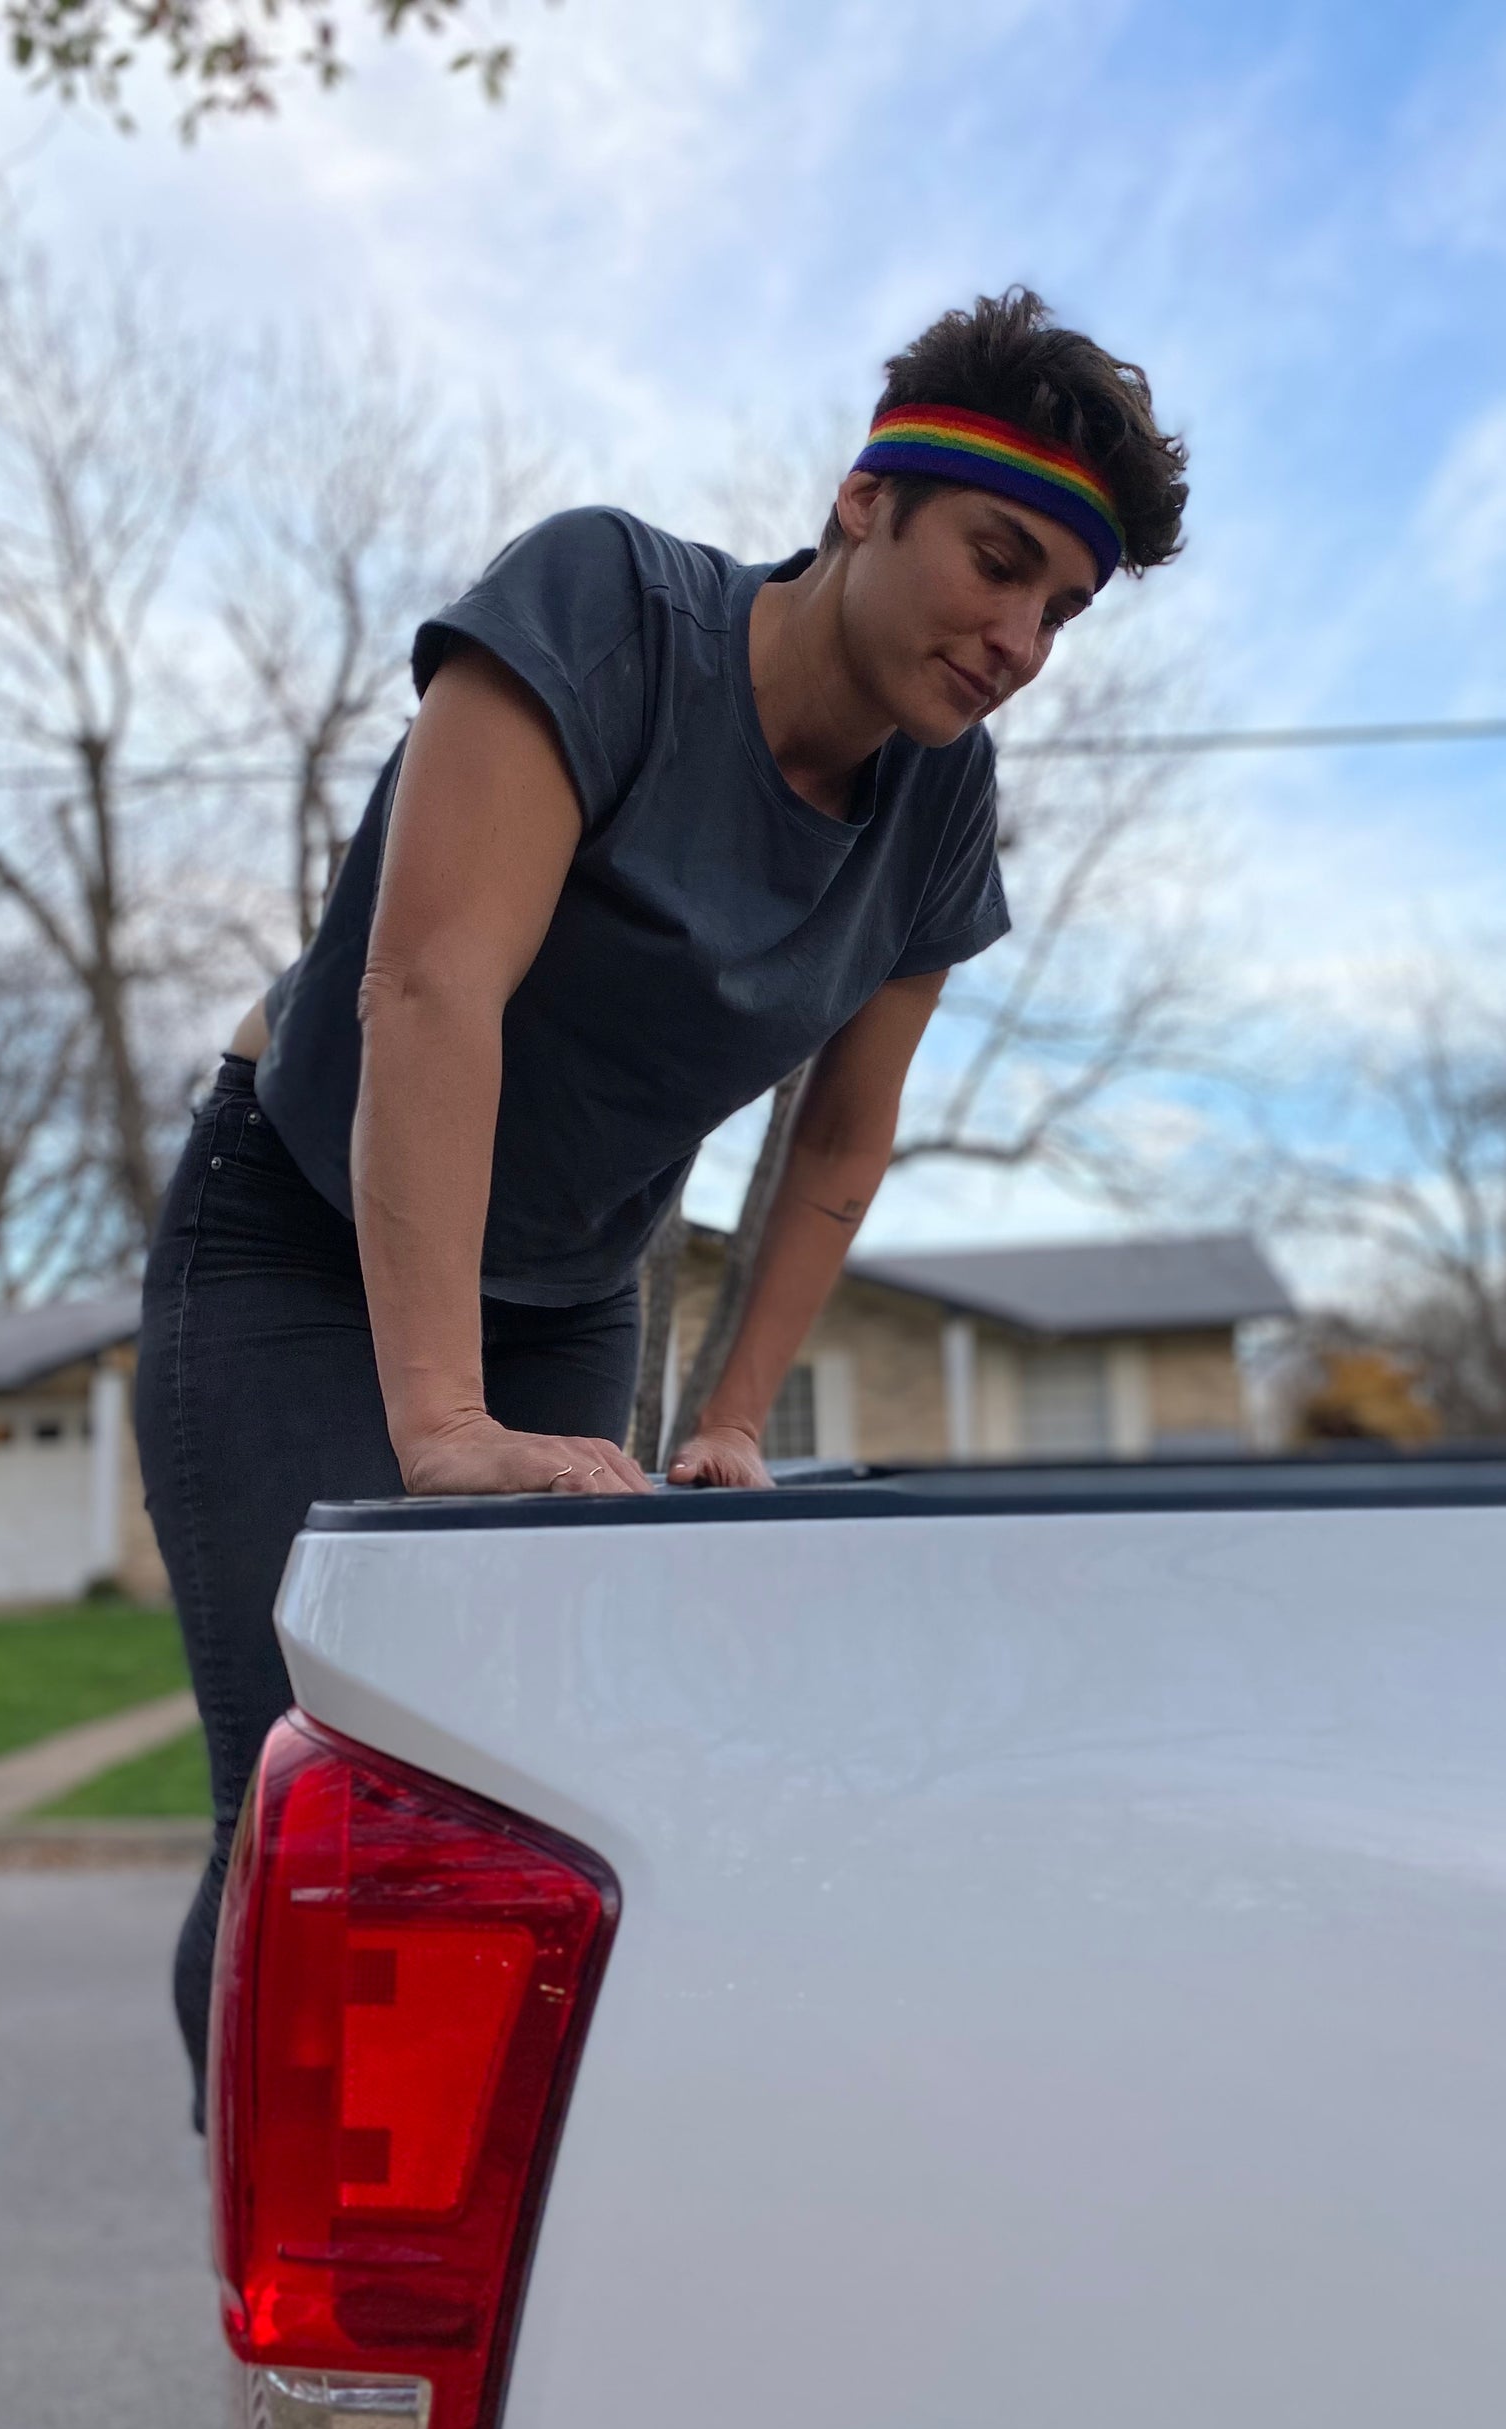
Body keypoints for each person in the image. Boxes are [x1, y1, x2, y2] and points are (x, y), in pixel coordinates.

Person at [137, 285, 1190, 2119]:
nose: (1020, 637)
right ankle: (292, 2242)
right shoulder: (609, 614)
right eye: (996, 560)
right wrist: (441, 1423)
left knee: (527, 1794)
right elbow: (428, 991)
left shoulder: (941, 807)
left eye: (1062, 609)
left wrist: (723, 1422)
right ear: (869, 499)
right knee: (323, 1795)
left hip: (568, 1286)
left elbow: (838, 1148)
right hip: (303, 1230)